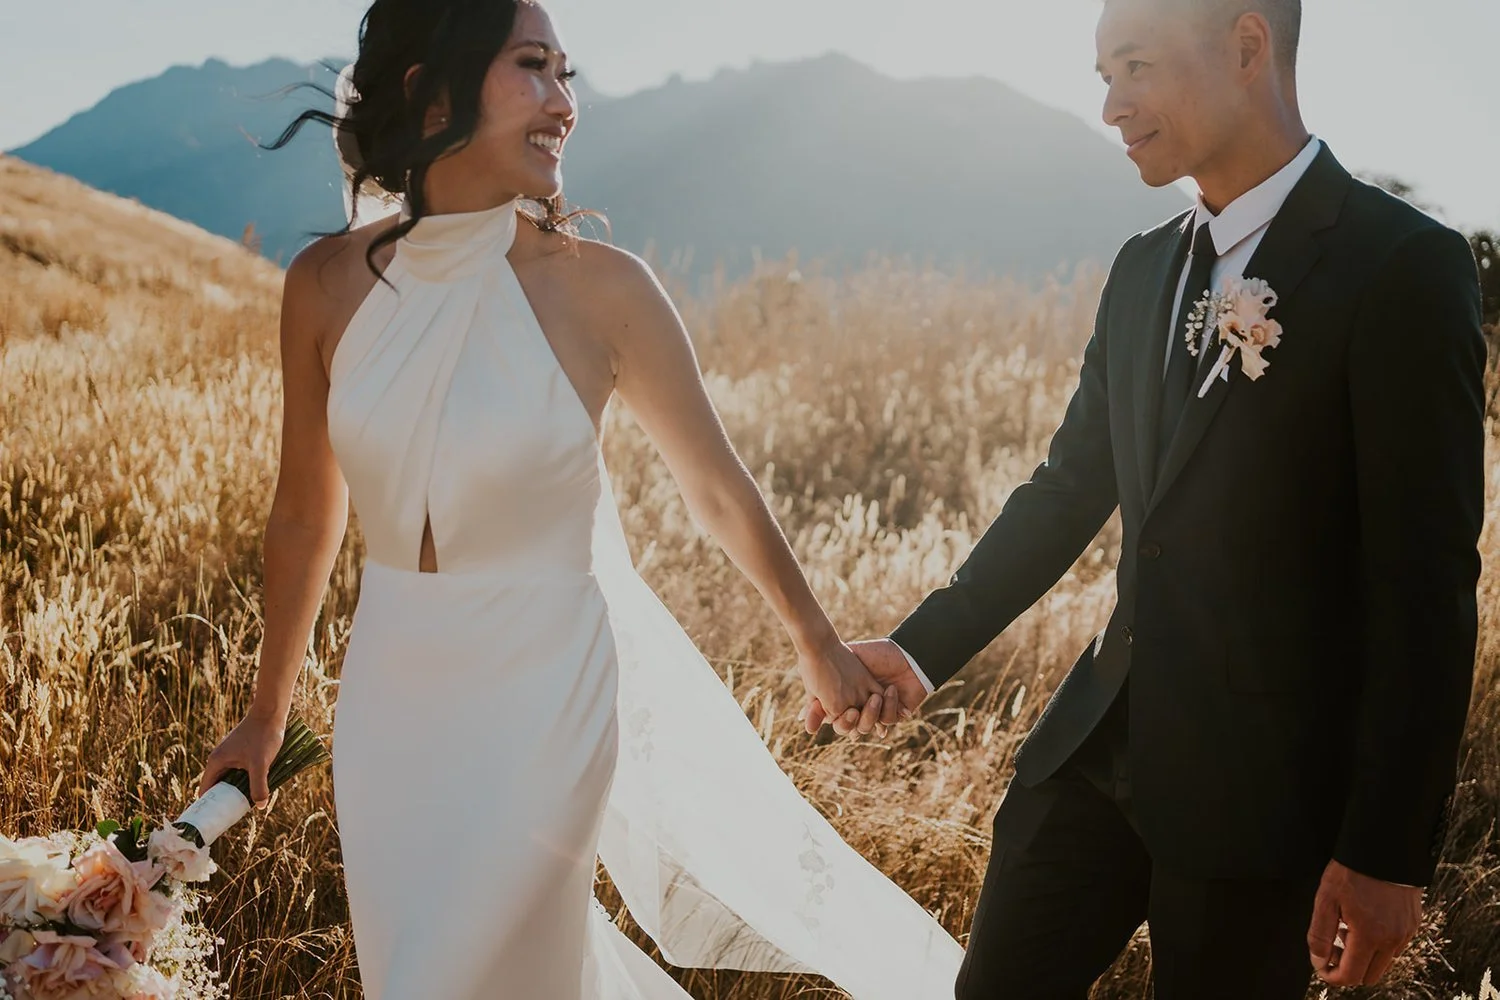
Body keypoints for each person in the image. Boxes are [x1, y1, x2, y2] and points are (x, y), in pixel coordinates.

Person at [196, 1, 962, 997]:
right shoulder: (325, 285)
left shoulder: (605, 290)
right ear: (430, 92)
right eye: (534, 68)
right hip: (392, 695)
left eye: (568, 73)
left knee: (471, 970)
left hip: (545, 684)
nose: (566, 102)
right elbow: (305, 516)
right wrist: (265, 714)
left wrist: (817, 645)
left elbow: (716, 489)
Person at [810, 0, 1487, 996]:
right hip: (1091, 757)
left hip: (1265, 801)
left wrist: (1387, 850)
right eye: (1102, 77)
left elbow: (1427, 587)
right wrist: (918, 650)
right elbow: (1067, 489)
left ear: (1249, 46)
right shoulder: (1140, 271)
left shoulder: (1401, 267)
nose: (1113, 107)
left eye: (1136, 67)